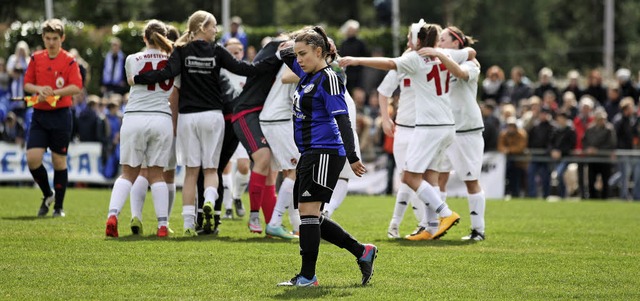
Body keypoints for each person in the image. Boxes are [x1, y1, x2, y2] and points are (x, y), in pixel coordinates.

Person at [131, 10, 278, 236]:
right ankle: (209, 201)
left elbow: (166, 73)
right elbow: (246, 69)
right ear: (201, 27)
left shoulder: (181, 50)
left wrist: (138, 79)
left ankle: (189, 225)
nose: (216, 30)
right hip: (213, 117)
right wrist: (277, 59)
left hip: (188, 117)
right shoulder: (217, 51)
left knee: (191, 173)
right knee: (211, 169)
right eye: (213, 26)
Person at [340, 20, 472, 240]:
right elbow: (471, 51)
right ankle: (430, 228)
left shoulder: (415, 58)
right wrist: (441, 54)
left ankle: (445, 213)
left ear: (417, 40)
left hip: (429, 127)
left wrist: (356, 60)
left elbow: (389, 63)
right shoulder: (446, 54)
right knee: (430, 176)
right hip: (448, 126)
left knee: (409, 176)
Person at [276, 26, 376, 287]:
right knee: (312, 217)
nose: (298, 59)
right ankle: (362, 251)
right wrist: (307, 33)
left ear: (319, 52)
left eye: (304, 54)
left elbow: (342, 120)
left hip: (325, 152)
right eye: (298, 55)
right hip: (310, 153)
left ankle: (308, 277)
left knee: (308, 214)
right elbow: (283, 51)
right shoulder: (306, 73)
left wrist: (353, 156)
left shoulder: (328, 78)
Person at [104, 19, 175, 238]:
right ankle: (162, 226)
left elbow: (130, 81)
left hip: (134, 118)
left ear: (144, 38)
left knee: (127, 173)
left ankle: (113, 215)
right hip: (161, 118)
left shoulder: (131, 59)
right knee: (157, 175)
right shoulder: (172, 61)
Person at [23, 19, 83, 217]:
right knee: (32, 159)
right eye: (47, 38)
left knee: (59, 161)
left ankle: (59, 207)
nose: (51, 42)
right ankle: (48, 193)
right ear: (43, 38)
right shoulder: (35, 58)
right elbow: (27, 84)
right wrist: (40, 89)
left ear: (62, 38)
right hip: (39, 114)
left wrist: (55, 92)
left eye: (55, 38)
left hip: (61, 115)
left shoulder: (69, 60)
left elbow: (76, 87)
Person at [432, 26, 486, 241]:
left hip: (467, 129)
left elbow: (460, 74)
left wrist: (439, 55)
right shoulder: (439, 62)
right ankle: (439, 225)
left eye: (443, 39)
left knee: (470, 180)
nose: (439, 44)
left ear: (456, 43)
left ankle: (478, 230)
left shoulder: (470, 63)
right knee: (439, 177)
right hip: (446, 128)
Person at [583, 108, 617, 199]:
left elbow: (611, 144)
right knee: (591, 180)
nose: (602, 121)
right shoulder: (589, 129)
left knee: (605, 181)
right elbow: (585, 141)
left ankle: (604, 198)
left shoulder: (609, 129)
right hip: (593, 159)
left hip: (605, 159)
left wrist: (597, 150)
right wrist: (588, 149)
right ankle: (592, 198)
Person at [498, 117, 528, 198]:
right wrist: (505, 149)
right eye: (509, 126)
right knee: (505, 178)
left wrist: (508, 150)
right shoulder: (503, 134)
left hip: (519, 163)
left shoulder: (521, 134)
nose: (510, 128)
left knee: (517, 180)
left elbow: (520, 148)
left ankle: (516, 195)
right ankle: (506, 193)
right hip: (506, 162)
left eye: (512, 126)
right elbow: (500, 146)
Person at [549, 111, 576, 199]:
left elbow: (572, 145)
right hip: (555, 157)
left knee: (559, 174)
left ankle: (563, 195)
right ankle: (561, 195)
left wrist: (561, 152)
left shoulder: (571, 130)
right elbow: (550, 143)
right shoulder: (555, 130)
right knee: (555, 175)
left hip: (566, 157)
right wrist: (552, 151)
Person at [339, 20, 368, 93]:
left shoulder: (360, 43)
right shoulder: (344, 43)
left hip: (358, 73)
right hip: (346, 72)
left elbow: (365, 56)